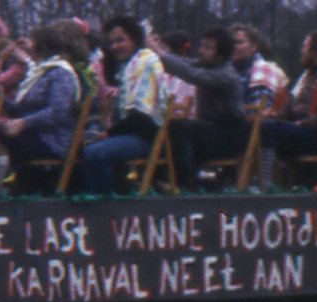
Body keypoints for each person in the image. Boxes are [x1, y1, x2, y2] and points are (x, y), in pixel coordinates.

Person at [151, 25, 251, 190]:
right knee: (168, 125)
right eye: (202, 45)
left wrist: (160, 54)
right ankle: (167, 178)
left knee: (180, 127)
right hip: (212, 131)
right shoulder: (208, 65)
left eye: (208, 47)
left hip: (229, 138)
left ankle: (183, 183)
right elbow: (185, 62)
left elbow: (192, 74)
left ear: (220, 55)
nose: (201, 50)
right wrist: (160, 50)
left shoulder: (226, 75)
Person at [77, 15, 168, 196]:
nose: (115, 47)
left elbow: (141, 118)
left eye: (120, 40)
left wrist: (108, 134)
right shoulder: (128, 66)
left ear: (134, 39)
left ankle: (106, 204)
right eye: (112, 42)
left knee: (95, 153)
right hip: (130, 133)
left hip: (146, 137)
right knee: (78, 148)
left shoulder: (146, 63)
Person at [0, 22, 85, 193]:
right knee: (0, 129)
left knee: (8, 134)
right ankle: (25, 180)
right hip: (37, 132)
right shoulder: (41, 71)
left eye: (32, 42)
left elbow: (58, 111)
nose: (29, 47)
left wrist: (24, 123)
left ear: (40, 47)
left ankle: (24, 182)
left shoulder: (61, 73)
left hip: (54, 139)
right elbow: (23, 107)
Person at [259, 28, 317, 186]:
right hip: (302, 132)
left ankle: (265, 183)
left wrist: (304, 123)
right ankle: (253, 181)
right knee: (259, 126)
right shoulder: (308, 75)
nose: (301, 51)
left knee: (268, 129)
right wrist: (275, 114)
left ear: (315, 52)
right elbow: (292, 108)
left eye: (305, 46)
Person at [230, 23, 288, 110]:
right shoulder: (229, 70)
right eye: (231, 42)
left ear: (254, 47)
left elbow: (259, 111)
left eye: (239, 42)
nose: (234, 46)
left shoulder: (262, 70)